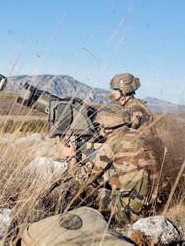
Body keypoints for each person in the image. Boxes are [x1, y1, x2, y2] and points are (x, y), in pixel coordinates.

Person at [58, 73, 160, 223]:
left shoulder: (135, 111)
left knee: (91, 193)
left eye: (115, 89)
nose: (112, 93)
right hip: (149, 196)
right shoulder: (138, 115)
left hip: (130, 210)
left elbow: (84, 178)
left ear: (123, 90)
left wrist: (71, 157)